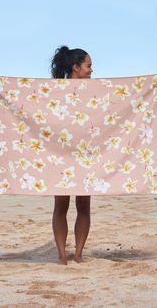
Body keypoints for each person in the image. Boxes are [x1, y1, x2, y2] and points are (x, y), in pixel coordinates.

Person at [50, 45, 93, 265]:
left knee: (84, 205)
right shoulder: (55, 90)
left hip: (86, 153)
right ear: (75, 67)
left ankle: (78, 253)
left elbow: (130, 93)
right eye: (89, 66)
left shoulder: (98, 89)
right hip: (61, 154)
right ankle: (61, 254)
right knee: (61, 205)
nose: (92, 71)